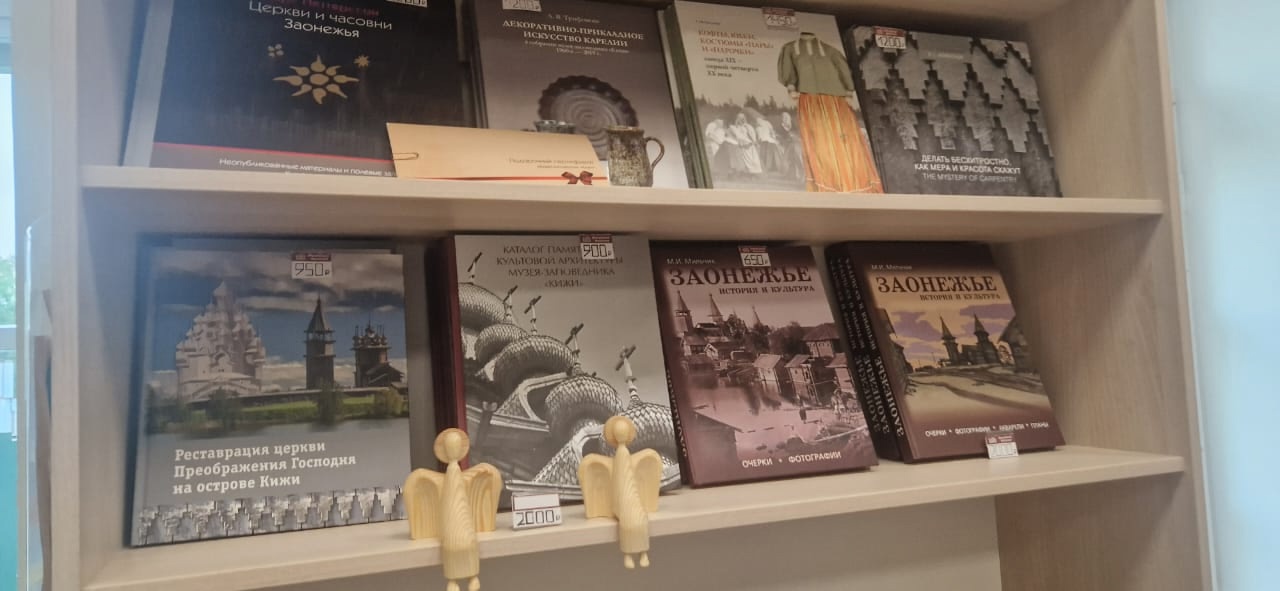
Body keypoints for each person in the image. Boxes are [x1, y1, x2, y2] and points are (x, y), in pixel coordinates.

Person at [777, 32, 883, 192]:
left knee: (845, 140)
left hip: (836, 101)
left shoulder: (830, 50)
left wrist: (848, 91)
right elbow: (788, 72)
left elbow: (844, 71)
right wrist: (791, 87)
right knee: (819, 142)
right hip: (810, 99)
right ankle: (828, 183)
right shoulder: (791, 48)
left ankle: (853, 183)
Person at [726, 112, 763, 177]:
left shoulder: (748, 126)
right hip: (742, 145)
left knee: (753, 158)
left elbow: (752, 135)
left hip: (749, 144)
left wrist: (753, 142)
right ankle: (747, 172)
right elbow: (737, 136)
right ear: (737, 119)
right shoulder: (734, 127)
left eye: (742, 118)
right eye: (739, 118)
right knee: (745, 159)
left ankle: (754, 173)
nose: (741, 119)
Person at [778, 112, 805, 181]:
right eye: (782, 117)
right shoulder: (781, 125)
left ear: (788, 118)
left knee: (798, 159)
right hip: (788, 144)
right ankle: (791, 175)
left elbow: (797, 133)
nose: (783, 119)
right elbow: (783, 135)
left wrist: (792, 135)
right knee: (788, 159)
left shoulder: (793, 124)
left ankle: (802, 175)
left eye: (785, 117)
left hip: (796, 143)